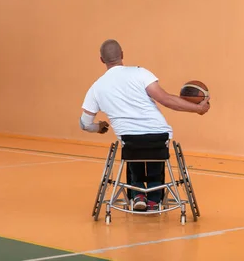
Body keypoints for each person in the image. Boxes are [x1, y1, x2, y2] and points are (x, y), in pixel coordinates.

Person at [80, 39, 210, 211]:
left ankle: (138, 193)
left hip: (130, 140)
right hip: (159, 136)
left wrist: (100, 127)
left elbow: (84, 123)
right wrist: (197, 108)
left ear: (102, 60)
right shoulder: (140, 73)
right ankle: (154, 199)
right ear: (122, 55)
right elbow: (166, 100)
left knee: (133, 148)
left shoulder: (96, 87)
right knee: (154, 151)